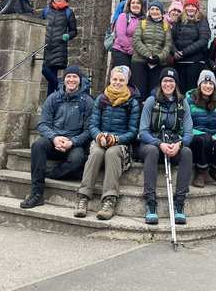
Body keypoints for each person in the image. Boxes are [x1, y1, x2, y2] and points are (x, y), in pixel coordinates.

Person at [21, 65, 94, 209]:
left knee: (77, 159)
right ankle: (36, 194)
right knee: (38, 145)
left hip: (75, 143)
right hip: (54, 140)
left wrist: (72, 142)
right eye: (68, 77)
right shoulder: (54, 98)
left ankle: (46, 171)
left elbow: (88, 131)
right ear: (64, 79)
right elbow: (42, 124)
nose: (71, 80)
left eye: (75, 77)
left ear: (80, 80)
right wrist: (54, 138)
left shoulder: (87, 101)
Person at [75, 65, 140, 220]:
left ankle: (109, 200)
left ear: (127, 81)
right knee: (97, 152)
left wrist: (116, 139)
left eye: (121, 80)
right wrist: (98, 136)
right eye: (115, 79)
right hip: (101, 140)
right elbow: (93, 125)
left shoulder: (132, 102)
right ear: (110, 79)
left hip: (120, 143)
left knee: (112, 152)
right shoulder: (101, 99)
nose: (117, 82)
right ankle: (83, 196)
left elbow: (133, 131)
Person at [139, 67, 193, 225]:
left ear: (176, 84)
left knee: (187, 152)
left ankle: (179, 203)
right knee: (152, 151)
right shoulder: (151, 101)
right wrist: (159, 143)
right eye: (165, 81)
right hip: (152, 142)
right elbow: (143, 131)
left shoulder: (182, 102)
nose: (168, 84)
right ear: (160, 83)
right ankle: (150, 202)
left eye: (171, 81)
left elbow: (189, 132)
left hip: (173, 143)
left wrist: (180, 144)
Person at [187, 70, 216, 188]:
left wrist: (215, 138)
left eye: (211, 83)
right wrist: (204, 136)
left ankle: (215, 169)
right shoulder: (189, 101)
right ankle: (200, 171)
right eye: (205, 83)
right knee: (204, 139)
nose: (208, 86)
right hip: (196, 140)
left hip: (213, 139)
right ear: (199, 84)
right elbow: (185, 126)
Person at [131, 0, 172, 102]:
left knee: (154, 93)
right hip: (140, 61)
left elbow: (168, 45)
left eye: (157, 9)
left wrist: (159, 57)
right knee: (140, 92)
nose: (154, 11)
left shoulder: (166, 26)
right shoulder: (142, 23)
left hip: (158, 63)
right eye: (152, 9)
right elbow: (136, 40)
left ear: (161, 12)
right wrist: (148, 55)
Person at [171, 0, 211, 94]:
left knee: (191, 92)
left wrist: (184, 52)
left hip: (195, 62)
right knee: (179, 91)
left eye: (193, 6)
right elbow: (171, 39)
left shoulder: (202, 20)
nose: (190, 8)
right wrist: (174, 51)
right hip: (179, 63)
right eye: (188, 6)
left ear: (197, 8)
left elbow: (203, 40)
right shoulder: (179, 20)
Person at [41, 0, 78, 98]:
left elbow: (73, 31)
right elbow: (39, 24)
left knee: (51, 76)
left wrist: (67, 36)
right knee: (43, 69)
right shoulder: (46, 10)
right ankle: (61, 87)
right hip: (45, 46)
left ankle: (49, 102)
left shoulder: (68, 12)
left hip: (59, 47)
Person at [111, 0, 144, 70]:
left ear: (142, 6)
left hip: (137, 55)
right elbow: (121, 36)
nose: (135, 5)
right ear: (129, 5)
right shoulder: (123, 16)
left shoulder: (143, 20)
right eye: (133, 3)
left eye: (138, 3)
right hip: (121, 52)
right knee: (123, 77)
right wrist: (131, 50)